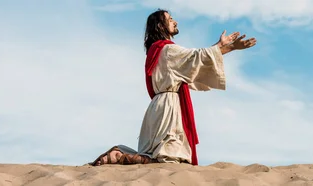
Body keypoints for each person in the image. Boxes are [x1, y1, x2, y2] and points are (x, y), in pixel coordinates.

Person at [89, 9, 257, 166]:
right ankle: (120, 156)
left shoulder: (159, 50)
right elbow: (196, 57)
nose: (175, 22)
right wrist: (224, 46)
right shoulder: (168, 50)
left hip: (159, 106)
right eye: (170, 19)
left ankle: (120, 155)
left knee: (161, 155)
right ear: (161, 26)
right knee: (170, 158)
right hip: (169, 107)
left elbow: (194, 60)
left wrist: (228, 47)